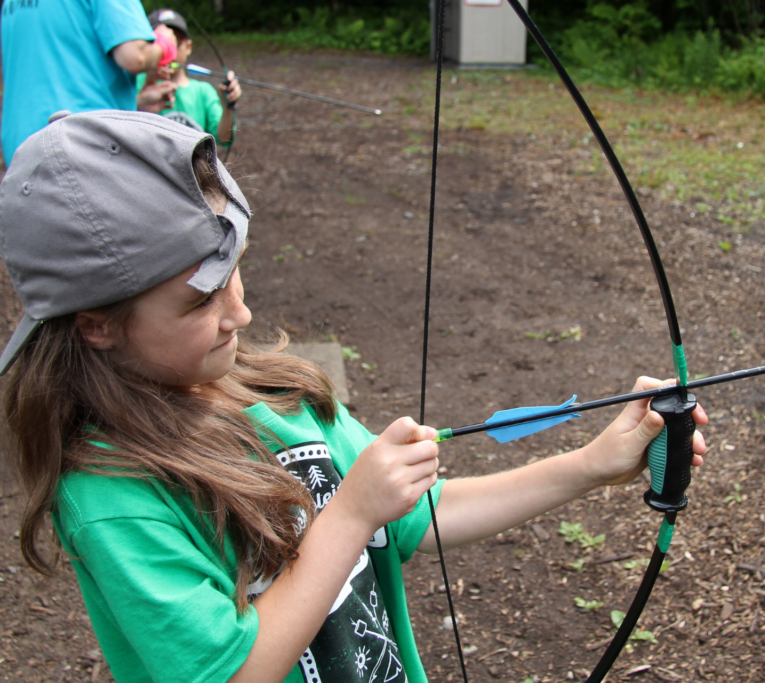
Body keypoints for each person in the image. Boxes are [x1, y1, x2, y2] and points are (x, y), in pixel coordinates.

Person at [0, 111, 708, 683]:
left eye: (235, 274)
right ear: (96, 324)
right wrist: (350, 513)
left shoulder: (271, 397)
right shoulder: (111, 494)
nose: (238, 313)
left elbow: (410, 517)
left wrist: (589, 463)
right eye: (199, 301)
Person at [0, 0, 178, 165]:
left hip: (20, 150)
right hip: (83, 148)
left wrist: (137, 104)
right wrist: (166, 43)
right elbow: (134, 56)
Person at [136, 9, 242, 148]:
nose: (170, 52)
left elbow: (224, 138)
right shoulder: (137, 85)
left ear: (188, 47)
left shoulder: (203, 92)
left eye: (176, 44)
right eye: (162, 45)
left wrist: (228, 106)